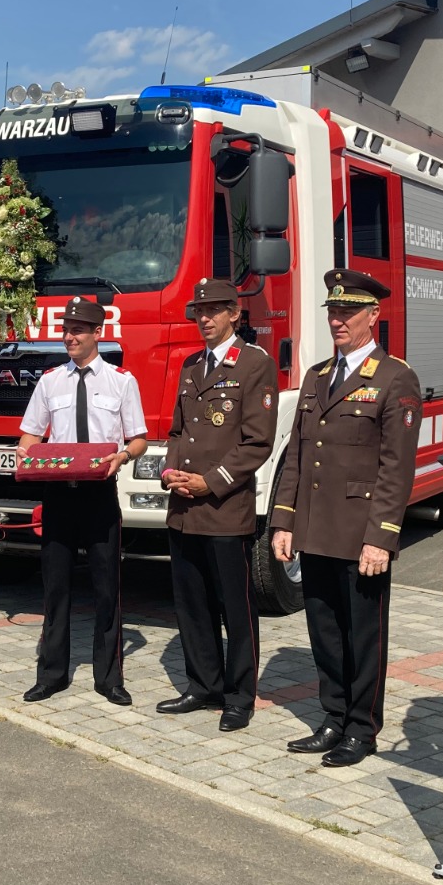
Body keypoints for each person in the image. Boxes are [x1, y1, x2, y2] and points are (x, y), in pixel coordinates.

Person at [270, 269, 421, 768]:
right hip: (316, 529)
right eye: (333, 311)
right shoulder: (317, 377)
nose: (338, 320)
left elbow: (396, 469)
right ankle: (333, 717)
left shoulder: (395, 378)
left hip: (360, 536)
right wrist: (284, 521)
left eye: (349, 312)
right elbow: (297, 456)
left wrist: (382, 537)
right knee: (325, 633)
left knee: (363, 636)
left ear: (373, 316)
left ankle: (361, 728)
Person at [156, 278, 279, 732]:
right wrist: (171, 471)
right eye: (199, 311)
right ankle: (202, 685)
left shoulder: (254, 364)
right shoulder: (191, 365)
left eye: (214, 310)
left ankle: (239, 696)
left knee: (236, 609)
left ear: (235, 314)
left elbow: (257, 442)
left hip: (225, 508)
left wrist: (210, 482)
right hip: (184, 508)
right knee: (192, 603)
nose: (204, 318)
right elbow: (177, 432)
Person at [16, 296, 148, 707]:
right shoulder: (50, 380)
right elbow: (31, 433)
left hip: (98, 495)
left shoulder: (121, 381)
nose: (69, 337)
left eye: (77, 330)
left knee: (107, 588)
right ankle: (51, 675)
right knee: (55, 588)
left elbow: (139, 439)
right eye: (66, 330)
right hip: (58, 495)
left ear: (97, 334)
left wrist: (123, 456)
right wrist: (24, 451)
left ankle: (109, 678)